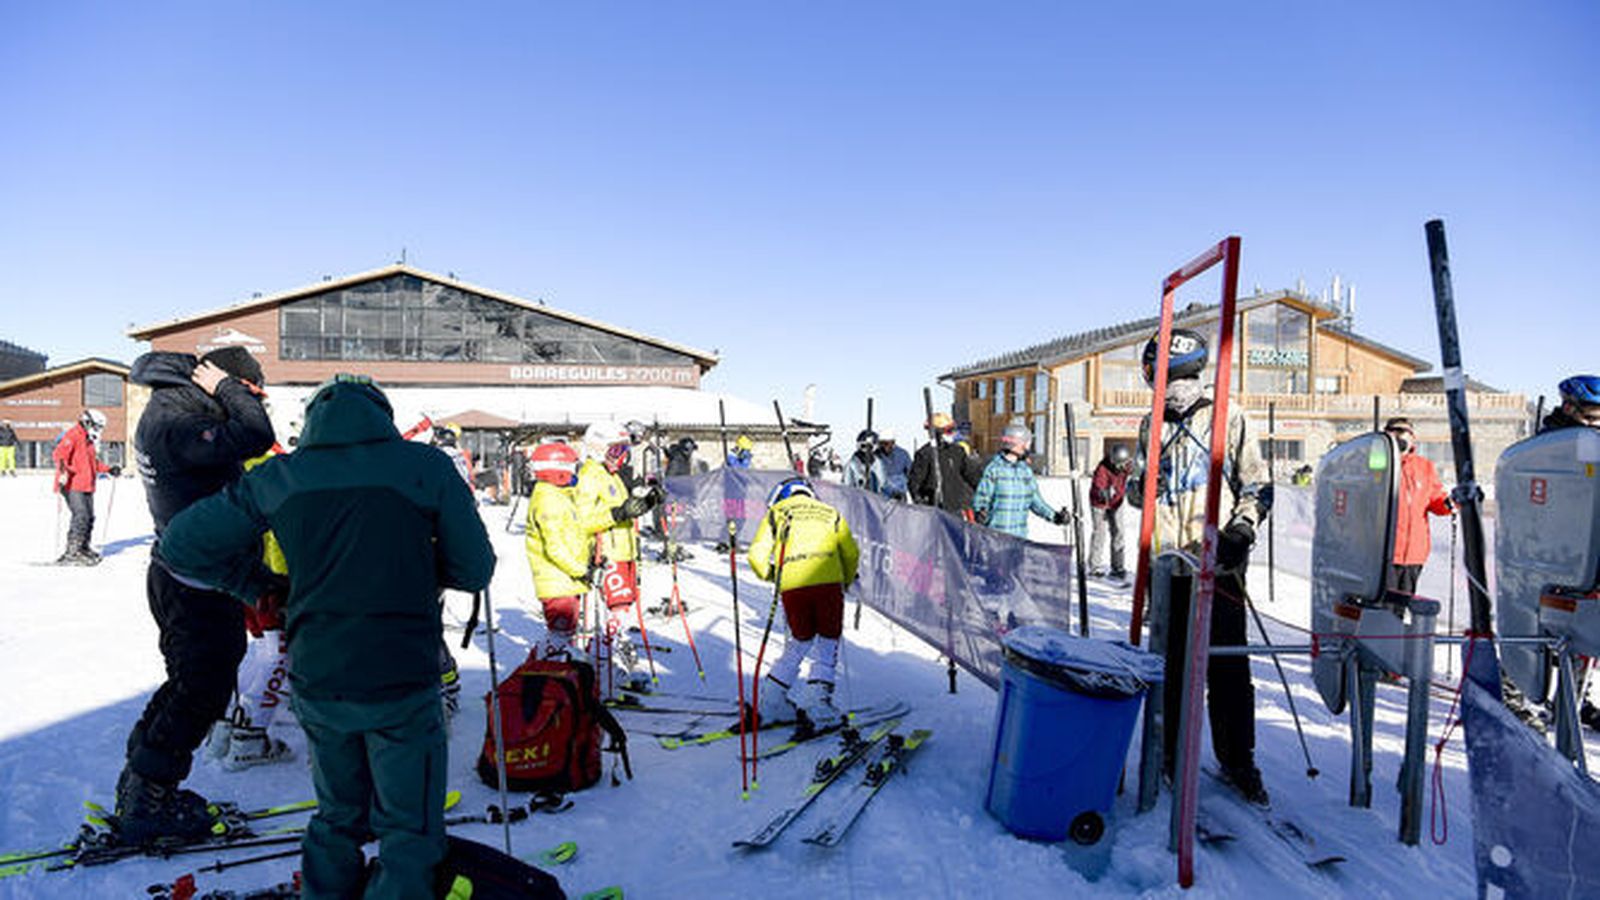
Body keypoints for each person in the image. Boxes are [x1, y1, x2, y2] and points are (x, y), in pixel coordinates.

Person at [156, 374, 495, 898]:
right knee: (409, 832)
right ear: (383, 416)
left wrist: (256, 586)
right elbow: (474, 570)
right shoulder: (426, 467)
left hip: (319, 677)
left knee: (336, 817)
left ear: (312, 423)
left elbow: (180, 545)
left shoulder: (282, 476)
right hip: (401, 677)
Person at [113, 347, 275, 842]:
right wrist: (228, 388)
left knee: (193, 683)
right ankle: (148, 798)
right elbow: (257, 435)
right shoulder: (176, 419)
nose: (251, 403)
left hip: (195, 571)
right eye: (249, 393)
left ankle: (142, 783)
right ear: (217, 383)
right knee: (200, 689)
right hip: (191, 580)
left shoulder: (176, 410)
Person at [1128, 327, 1273, 806]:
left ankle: (1237, 759)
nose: (1156, 384)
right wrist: (1135, 486)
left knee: (1227, 667)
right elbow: (1141, 488)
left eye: (1159, 373)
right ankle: (1168, 753)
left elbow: (1257, 484)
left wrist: (1242, 530)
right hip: (1167, 567)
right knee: (1169, 667)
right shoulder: (1153, 424)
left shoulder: (1227, 415)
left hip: (1218, 566)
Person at [202, 443, 296, 771]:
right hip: (268, 578)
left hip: (238, 575)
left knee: (262, 650)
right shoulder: (274, 470)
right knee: (278, 654)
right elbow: (279, 531)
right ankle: (250, 733)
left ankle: (230, 720)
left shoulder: (222, 461)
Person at [747, 477, 861, 729]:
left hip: (793, 586)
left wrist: (772, 575)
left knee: (799, 642)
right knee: (828, 642)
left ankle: (771, 702)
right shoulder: (830, 512)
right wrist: (847, 578)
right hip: (828, 583)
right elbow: (851, 552)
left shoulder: (777, 512)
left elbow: (756, 556)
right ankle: (818, 705)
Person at [574, 422, 663, 689]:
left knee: (621, 612)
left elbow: (624, 509)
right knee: (616, 613)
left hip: (624, 551)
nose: (622, 458)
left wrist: (644, 504)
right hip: (607, 553)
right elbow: (583, 519)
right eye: (616, 451)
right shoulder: (590, 475)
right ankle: (603, 674)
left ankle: (601, 668)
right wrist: (619, 513)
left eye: (624, 451)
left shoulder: (610, 475)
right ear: (599, 450)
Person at [525, 440, 595, 659]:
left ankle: (558, 675)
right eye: (571, 468)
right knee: (560, 636)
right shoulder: (548, 500)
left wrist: (591, 555)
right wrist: (581, 570)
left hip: (567, 579)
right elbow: (554, 547)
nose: (575, 473)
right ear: (557, 471)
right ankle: (538, 677)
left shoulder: (560, 496)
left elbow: (574, 533)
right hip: (557, 581)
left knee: (565, 635)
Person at [1383, 417, 1453, 596]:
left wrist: (1451, 504)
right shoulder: (1379, 464)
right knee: (1381, 606)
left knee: (1403, 604)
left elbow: (1436, 501)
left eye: (1403, 432)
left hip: (1414, 553)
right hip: (1383, 552)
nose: (1399, 436)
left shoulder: (1424, 467)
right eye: (1394, 431)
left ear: (1412, 438)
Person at [972, 424, 1070, 538]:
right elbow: (982, 498)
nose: (1027, 448)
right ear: (1015, 444)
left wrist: (1055, 517)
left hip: (1019, 538)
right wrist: (981, 512)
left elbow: (1035, 502)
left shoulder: (1026, 472)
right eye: (1026, 444)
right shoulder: (994, 470)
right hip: (996, 537)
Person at [52, 409, 119, 564]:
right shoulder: (73, 435)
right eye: (96, 426)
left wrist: (108, 469)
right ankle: (72, 552)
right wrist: (63, 472)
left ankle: (83, 547)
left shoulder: (87, 440)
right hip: (72, 484)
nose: (97, 430)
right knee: (80, 516)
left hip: (86, 484)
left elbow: (92, 463)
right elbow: (59, 455)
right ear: (87, 422)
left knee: (89, 517)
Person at [909, 412, 984, 517]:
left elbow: (972, 476)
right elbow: (914, 484)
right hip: (933, 511)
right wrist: (922, 506)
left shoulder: (957, 452)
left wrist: (984, 494)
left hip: (955, 509)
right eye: (948, 431)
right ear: (937, 433)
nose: (952, 433)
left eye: (953, 430)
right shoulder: (925, 454)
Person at [1088, 444, 1134, 580]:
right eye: (1118, 465)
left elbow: (1136, 473)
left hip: (1116, 502)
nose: (1120, 468)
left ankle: (1118, 566)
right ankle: (1095, 566)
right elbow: (1098, 485)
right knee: (1100, 533)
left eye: (1123, 465)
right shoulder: (1102, 468)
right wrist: (1102, 493)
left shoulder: (1127, 466)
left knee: (1118, 532)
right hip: (1099, 503)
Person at [873, 430, 912, 501]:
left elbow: (911, 474)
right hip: (882, 497)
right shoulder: (875, 456)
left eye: (887, 443)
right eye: (882, 444)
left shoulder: (903, 454)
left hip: (900, 495)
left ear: (893, 443)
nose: (884, 447)